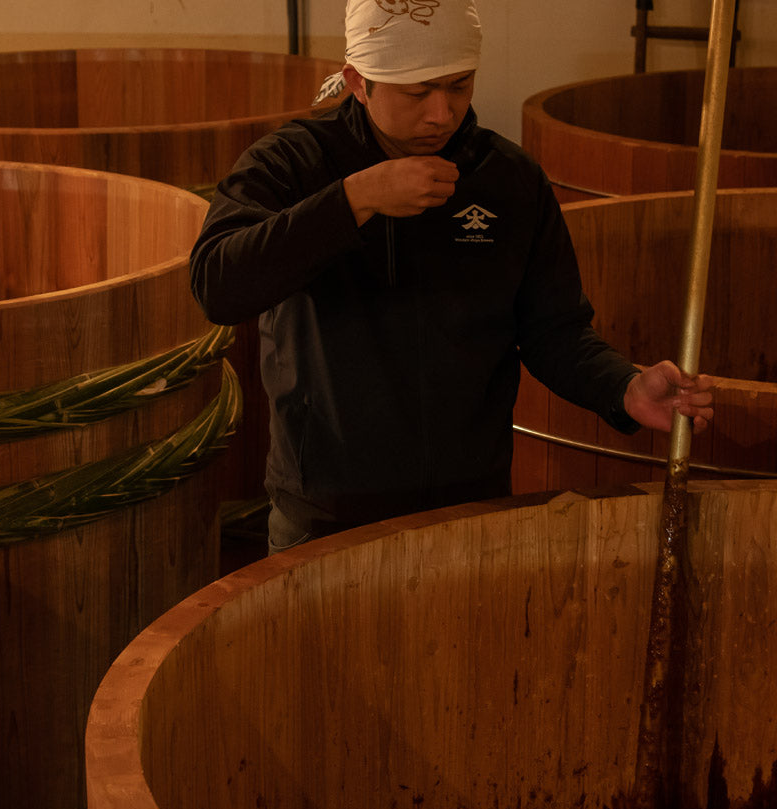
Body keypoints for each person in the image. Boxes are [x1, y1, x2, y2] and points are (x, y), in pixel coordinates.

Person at [190, 0, 714, 553]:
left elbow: (553, 330)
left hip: (471, 507)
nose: (442, 113)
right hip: (326, 513)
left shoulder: (507, 178)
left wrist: (624, 386)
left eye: (459, 86)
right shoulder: (293, 163)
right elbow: (218, 285)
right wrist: (354, 199)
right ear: (358, 82)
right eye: (417, 92)